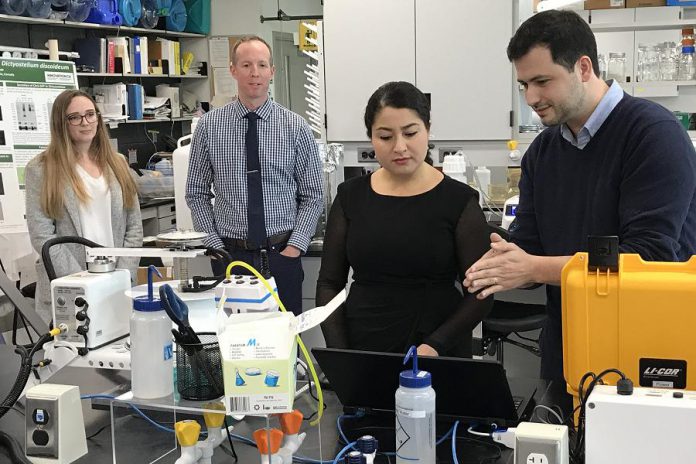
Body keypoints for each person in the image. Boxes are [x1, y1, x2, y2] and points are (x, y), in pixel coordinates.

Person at [463, 10, 696, 381]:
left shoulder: (653, 135)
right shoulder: (542, 152)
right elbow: (530, 252)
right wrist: (502, 262)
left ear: (583, 68)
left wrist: (532, 266)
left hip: (649, 354)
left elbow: (645, 259)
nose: (531, 97)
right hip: (568, 349)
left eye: (542, 81)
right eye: (523, 84)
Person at [316, 81, 492, 358]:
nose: (400, 147)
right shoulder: (351, 197)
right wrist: (341, 355)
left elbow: (481, 294)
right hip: (365, 345)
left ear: (428, 129)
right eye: (385, 136)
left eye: (410, 133)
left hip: (438, 350)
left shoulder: (459, 201)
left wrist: (435, 346)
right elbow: (329, 284)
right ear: (371, 137)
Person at [186, 35, 323, 316]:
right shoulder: (209, 127)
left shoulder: (295, 127)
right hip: (230, 257)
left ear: (272, 71)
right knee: (232, 344)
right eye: (246, 64)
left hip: (282, 254)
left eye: (262, 65)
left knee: (284, 343)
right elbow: (196, 193)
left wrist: (296, 246)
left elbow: (313, 195)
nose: (255, 72)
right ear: (233, 70)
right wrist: (214, 246)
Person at [25, 89, 143, 324]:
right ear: (62, 123)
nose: (85, 122)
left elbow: (134, 227)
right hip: (70, 287)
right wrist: (85, 282)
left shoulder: (117, 162)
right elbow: (43, 238)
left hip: (117, 284)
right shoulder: (41, 169)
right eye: (75, 117)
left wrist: (122, 275)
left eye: (90, 114)